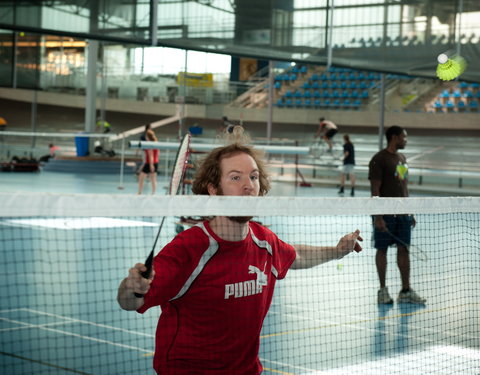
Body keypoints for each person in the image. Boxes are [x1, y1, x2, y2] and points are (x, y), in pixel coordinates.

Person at [117, 128, 363, 375]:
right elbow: (129, 302)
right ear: (213, 189)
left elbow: (294, 255)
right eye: (236, 178)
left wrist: (337, 251)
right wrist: (131, 287)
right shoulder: (189, 248)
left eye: (254, 177)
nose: (248, 186)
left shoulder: (263, 240)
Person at [368, 125, 426, 305]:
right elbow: (375, 189)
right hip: (385, 214)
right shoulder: (379, 159)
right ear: (394, 137)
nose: (405, 140)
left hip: (402, 214)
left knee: (404, 249)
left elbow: (404, 187)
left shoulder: (402, 158)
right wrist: (378, 216)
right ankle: (383, 291)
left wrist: (410, 211)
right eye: (404, 137)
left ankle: (405, 291)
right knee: (382, 250)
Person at [137, 128, 159, 195]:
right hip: (155, 162)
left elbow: (151, 155)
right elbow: (157, 154)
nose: (145, 137)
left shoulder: (149, 144)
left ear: (148, 137)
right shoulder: (156, 142)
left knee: (141, 178)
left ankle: (139, 192)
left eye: (146, 136)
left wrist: (151, 165)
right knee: (153, 179)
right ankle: (153, 193)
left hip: (149, 163)